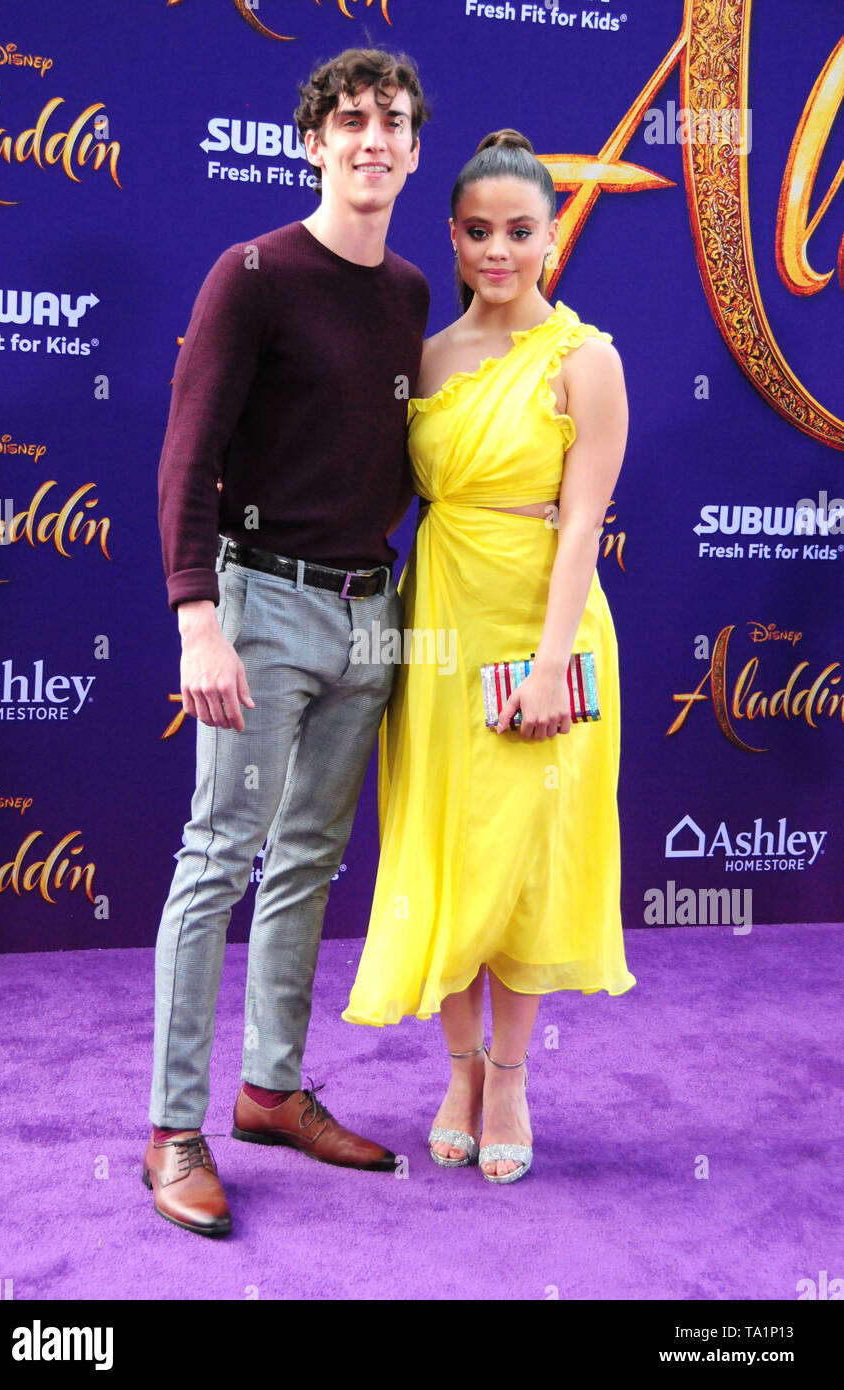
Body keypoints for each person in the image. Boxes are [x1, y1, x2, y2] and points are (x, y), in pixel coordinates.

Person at [143, 47, 430, 1236]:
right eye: (350, 121)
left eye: (395, 123)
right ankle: (171, 1128)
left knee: (309, 856)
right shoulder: (251, 274)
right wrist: (196, 615)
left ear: (415, 150)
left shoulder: (413, 292)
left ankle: (269, 1089)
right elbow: (187, 450)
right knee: (221, 856)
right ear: (312, 140)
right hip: (259, 608)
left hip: (374, 616)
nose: (373, 139)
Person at [343, 130, 637, 1183]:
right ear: (456, 239)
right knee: (445, 846)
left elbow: (583, 527)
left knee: (521, 860)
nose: (499, 249)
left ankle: (511, 1073)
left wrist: (554, 661)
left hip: (541, 628)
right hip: (438, 628)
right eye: (479, 232)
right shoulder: (427, 356)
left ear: (553, 236)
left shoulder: (587, 361)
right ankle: (459, 1066)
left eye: (520, 230)